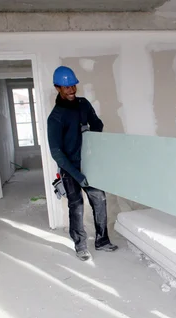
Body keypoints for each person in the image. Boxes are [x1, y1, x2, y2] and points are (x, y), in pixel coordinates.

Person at [47, 66, 118, 261]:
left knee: (100, 200)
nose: (71, 90)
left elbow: (98, 124)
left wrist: (89, 129)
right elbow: (56, 153)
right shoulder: (55, 117)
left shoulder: (83, 104)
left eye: (73, 86)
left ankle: (102, 241)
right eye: (66, 87)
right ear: (57, 88)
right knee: (76, 205)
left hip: (89, 163)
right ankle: (80, 245)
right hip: (70, 168)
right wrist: (77, 175)